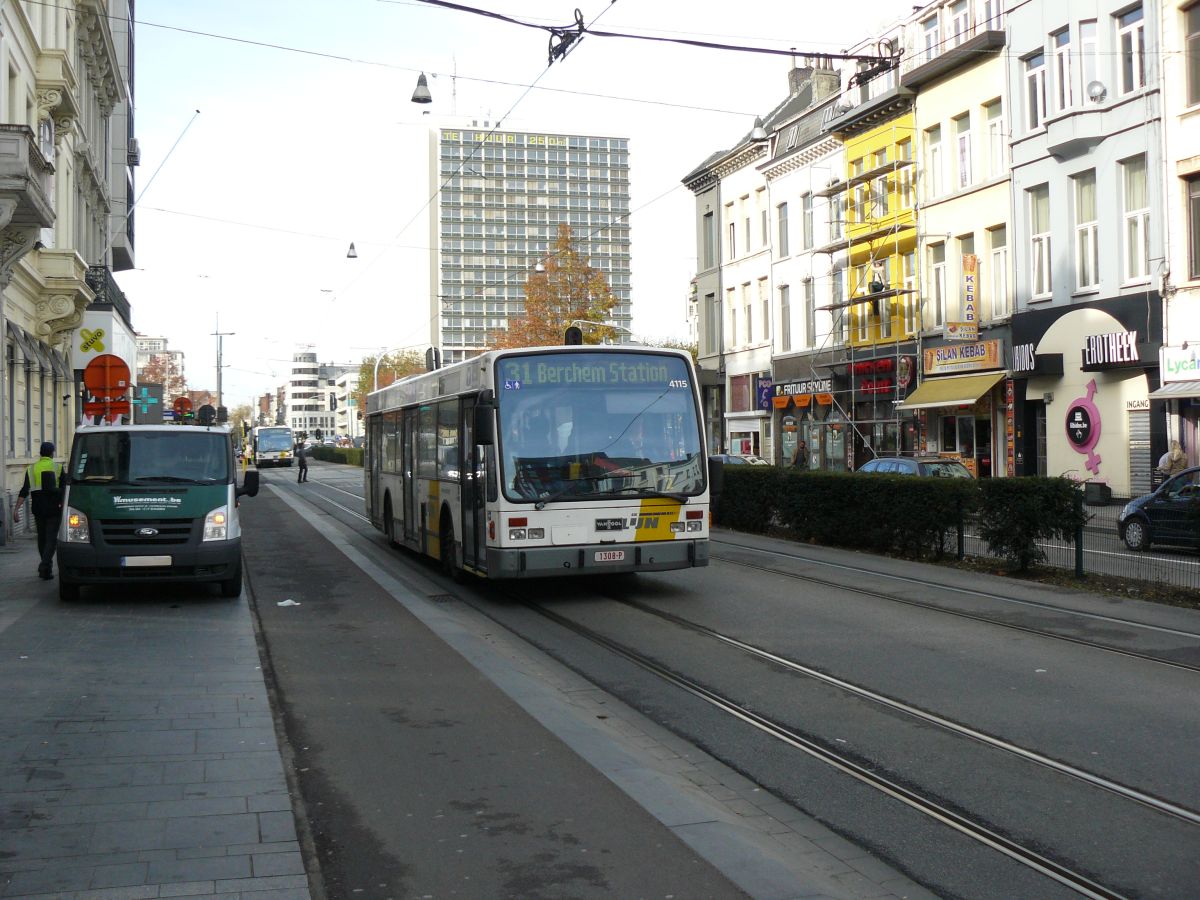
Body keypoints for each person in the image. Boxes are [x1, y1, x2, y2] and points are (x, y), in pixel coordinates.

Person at [14, 441, 63, 580]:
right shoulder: (57, 467)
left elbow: (24, 491)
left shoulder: (31, 469)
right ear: (52, 453)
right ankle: (45, 564)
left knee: (42, 539)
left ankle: (45, 570)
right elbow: (65, 489)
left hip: (38, 509)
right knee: (51, 539)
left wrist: (16, 509)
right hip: (54, 508)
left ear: (40, 453)